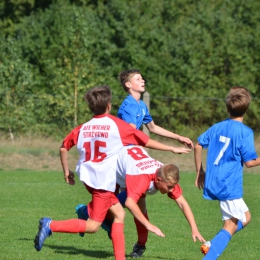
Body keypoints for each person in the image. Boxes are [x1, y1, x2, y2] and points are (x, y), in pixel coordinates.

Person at [34, 85, 191, 260]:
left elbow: (63, 148)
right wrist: (171, 148)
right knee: (93, 225)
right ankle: (51, 225)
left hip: (87, 176)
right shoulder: (116, 126)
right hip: (101, 181)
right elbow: (145, 141)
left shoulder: (83, 128)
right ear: (109, 105)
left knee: (119, 213)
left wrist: (66, 172)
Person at [76, 145, 206, 258]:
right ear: (158, 180)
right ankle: (84, 212)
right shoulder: (141, 179)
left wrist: (194, 229)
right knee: (111, 209)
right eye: (169, 187)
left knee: (136, 209)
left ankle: (140, 245)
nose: (171, 190)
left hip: (131, 163)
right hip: (114, 169)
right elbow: (129, 203)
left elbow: (183, 203)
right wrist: (149, 225)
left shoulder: (166, 175)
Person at [194, 86, 260, 259]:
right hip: (228, 184)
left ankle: (211, 244)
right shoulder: (245, 132)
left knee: (246, 217)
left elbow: (198, 145)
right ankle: (210, 255)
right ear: (247, 108)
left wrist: (200, 171)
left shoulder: (217, 127)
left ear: (227, 107)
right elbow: (250, 162)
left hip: (214, 181)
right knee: (230, 226)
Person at [117, 68, 194, 148]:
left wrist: (178, 137)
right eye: (138, 79)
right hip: (122, 150)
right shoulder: (129, 106)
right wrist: (172, 149)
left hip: (131, 149)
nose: (142, 81)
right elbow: (132, 134)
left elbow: (152, 127)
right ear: (128, 84)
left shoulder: (142, 105)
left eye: (142, 78)